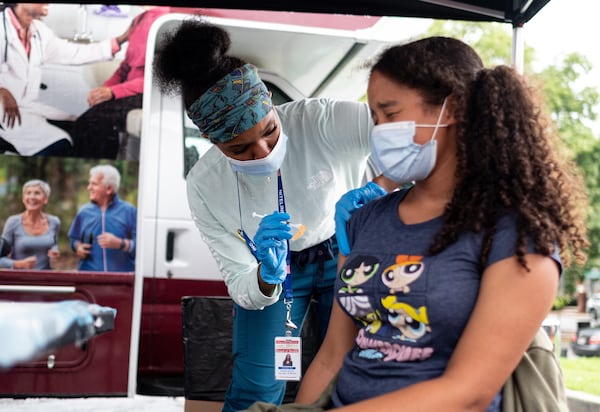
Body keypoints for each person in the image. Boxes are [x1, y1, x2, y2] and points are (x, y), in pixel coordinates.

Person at [284, 36, 589, 411]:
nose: (379, 132)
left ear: (454, 107)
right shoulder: (364, 220)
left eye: (390, 114)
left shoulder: (516, 232)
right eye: (375, 119)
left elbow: (468, 392)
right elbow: (332, 356)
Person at [153, 19, 395, 412]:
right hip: (279, 273)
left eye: (269, 130)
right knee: (257, 387)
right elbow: (239, 282)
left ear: (268, 99)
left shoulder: (320, 120)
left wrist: (381, 188)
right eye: (240, 149)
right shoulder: (205, 185)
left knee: (362, 368)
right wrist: (264, 277)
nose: (263, 151)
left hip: (346, 248)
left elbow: (408, 136)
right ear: (212, 142)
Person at [0, 3, 129, 157]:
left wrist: (119, 40)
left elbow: (74, 52)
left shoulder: (39, 32)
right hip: (5, 114)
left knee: (87, 130)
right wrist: (2, 90)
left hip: (27, 109)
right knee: (59, 146)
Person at [71, 6, 171, 159]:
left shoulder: (167, 20)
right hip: (132, 91)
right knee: (83, 123)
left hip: (150, 94)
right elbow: (125, 67)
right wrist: (104, 89)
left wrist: (113, 92)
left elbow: (158, 77)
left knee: (94, 121)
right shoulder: (138, 19)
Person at [68, 164, 136, 272]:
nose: (89, 187)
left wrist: (121, 244)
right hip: (89, 277)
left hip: (121, 279)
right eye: (89, 183)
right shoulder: (84, 211)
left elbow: (143, 247)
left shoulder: (130, 211)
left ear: (109, 189)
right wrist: (78, 247)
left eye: (94, 184)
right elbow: (73, 239)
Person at [0, 179, 60, 270]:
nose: (32, 197)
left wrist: (55, 253)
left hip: (45, 280)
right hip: (19, 280)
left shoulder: (54, 222)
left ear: (45, 199)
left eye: (37, 193)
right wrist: (18, 264)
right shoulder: (13, 222)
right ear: (23, 199)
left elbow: (54, 244)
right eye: (28, 193)